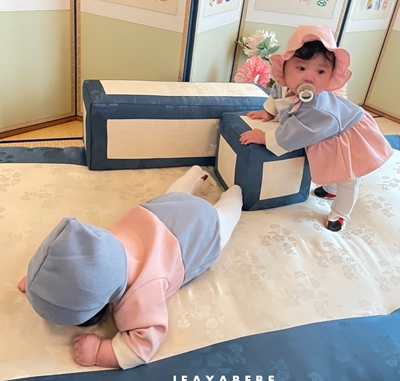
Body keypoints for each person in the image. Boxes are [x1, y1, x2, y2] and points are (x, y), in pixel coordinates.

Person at [17, 165, 242, 369]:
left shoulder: (141, 290)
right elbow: (70, 258)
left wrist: (101, 352)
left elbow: (143, 344)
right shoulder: (97, 243)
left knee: (225, 217)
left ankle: (235, 194)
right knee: (176, 195)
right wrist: (44, 281)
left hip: (201, 227)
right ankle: (196, 174)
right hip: (162, 210)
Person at [239, 25, 393, 232]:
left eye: (320, 71)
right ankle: (330, 188)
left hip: (348, 132)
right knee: (330, 163)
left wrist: (264, 137)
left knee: (348, 175)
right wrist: (269, 112)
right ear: (285, 68)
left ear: (330, 77)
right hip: (325, 133)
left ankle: (340, 214)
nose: (309, 77)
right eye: (301, 68)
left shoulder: (315, 107)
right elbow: (276, 94)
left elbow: (295, 133)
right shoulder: (284, 84)